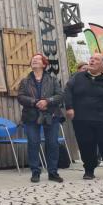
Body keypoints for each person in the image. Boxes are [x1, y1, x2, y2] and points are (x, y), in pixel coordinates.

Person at [64, 53, 103, 181]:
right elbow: (68, 91)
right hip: (82, 119)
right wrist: (69, 107)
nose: (92, 61)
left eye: (96, 59)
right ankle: (89, 170)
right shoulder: (78, 77)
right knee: (86, 145)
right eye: (91, 59)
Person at [18, 53, 64, 183]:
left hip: (51, 115)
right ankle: (35, 172)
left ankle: (53, 173)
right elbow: (20, 97)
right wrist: (35, 102)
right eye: (33, 60)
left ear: (44, 64)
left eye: (38, 59)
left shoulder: (52, 79)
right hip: (31, 116)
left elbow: (60, 95)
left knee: (52, 143)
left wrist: (47, 101)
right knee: (33, 143)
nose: (34, 61)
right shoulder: (25, 81)